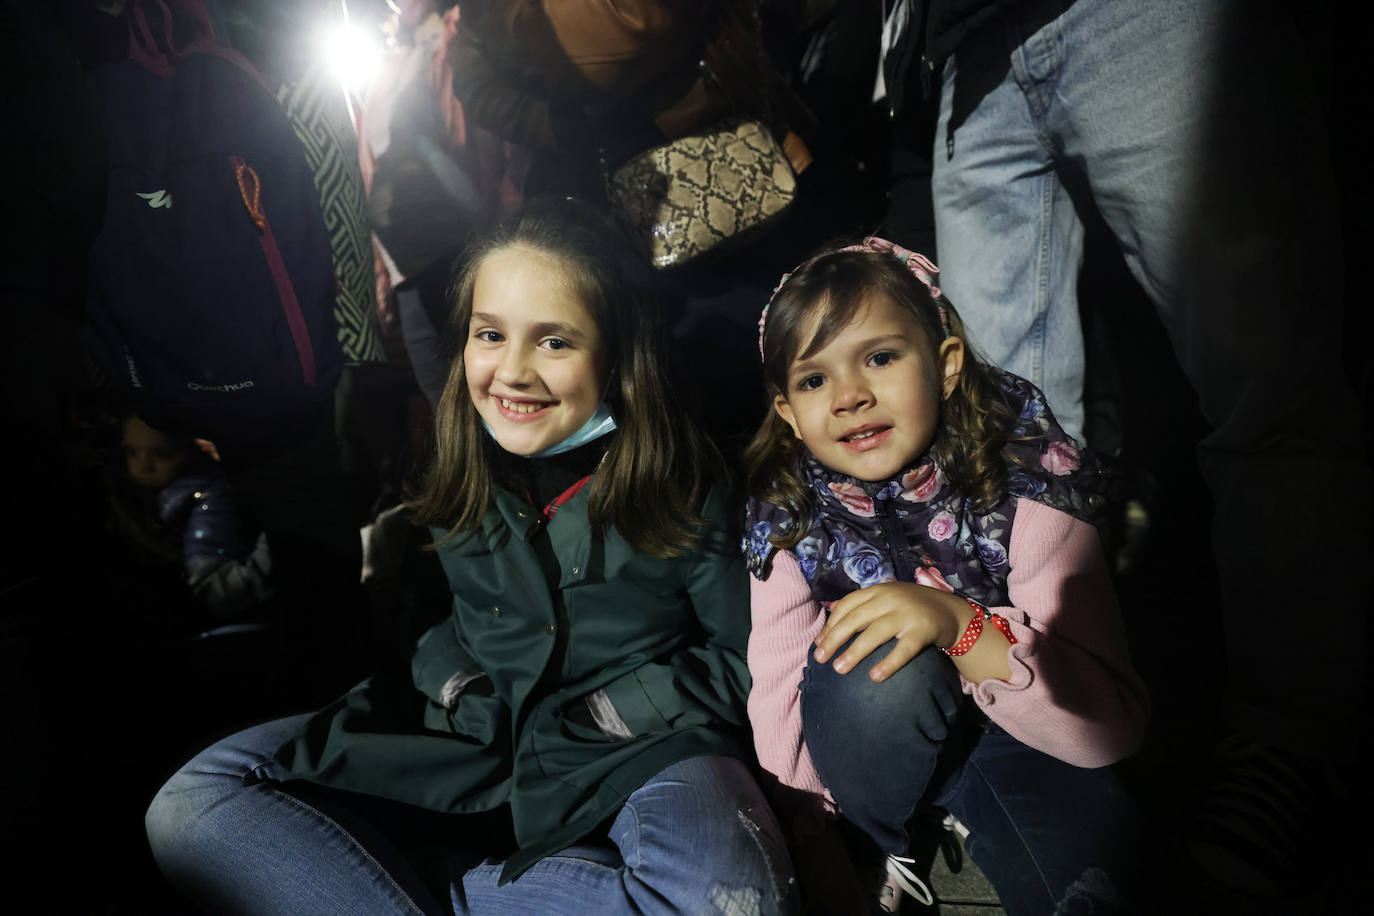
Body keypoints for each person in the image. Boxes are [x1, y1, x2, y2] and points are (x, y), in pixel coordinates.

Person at [145, 198, 797, 915]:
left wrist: (616, 709)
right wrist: (457, 681)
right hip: (471, 741)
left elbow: (747, 658)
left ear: (615, 353)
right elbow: (426, 616)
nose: (513, 371)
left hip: (643, 751)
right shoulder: (453, 465)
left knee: (729, 901)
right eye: (491, 334)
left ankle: (405, 886)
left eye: (555, 342)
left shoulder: (683, 480)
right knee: (190, 807)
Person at [743, 238, 1151, 913]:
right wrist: (810, 832)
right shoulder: (786, 506)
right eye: (813, 379)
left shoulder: (1029, 480)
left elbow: (1110, 728)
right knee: (872, 659)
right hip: (872, 748)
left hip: (1028, 741)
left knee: (1099, 889)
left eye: (879, 357)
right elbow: (779, 682)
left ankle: (963, 821)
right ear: (786, 411)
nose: (848, 395)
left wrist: (959, 625)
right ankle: (879, 837)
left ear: (946, 364)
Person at [108, 414, 273, 623]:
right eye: (131, 451)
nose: (143, 466)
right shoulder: (130, 497)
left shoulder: (209, 501)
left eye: (163, 453)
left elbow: (220, 594)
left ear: (195, 449)